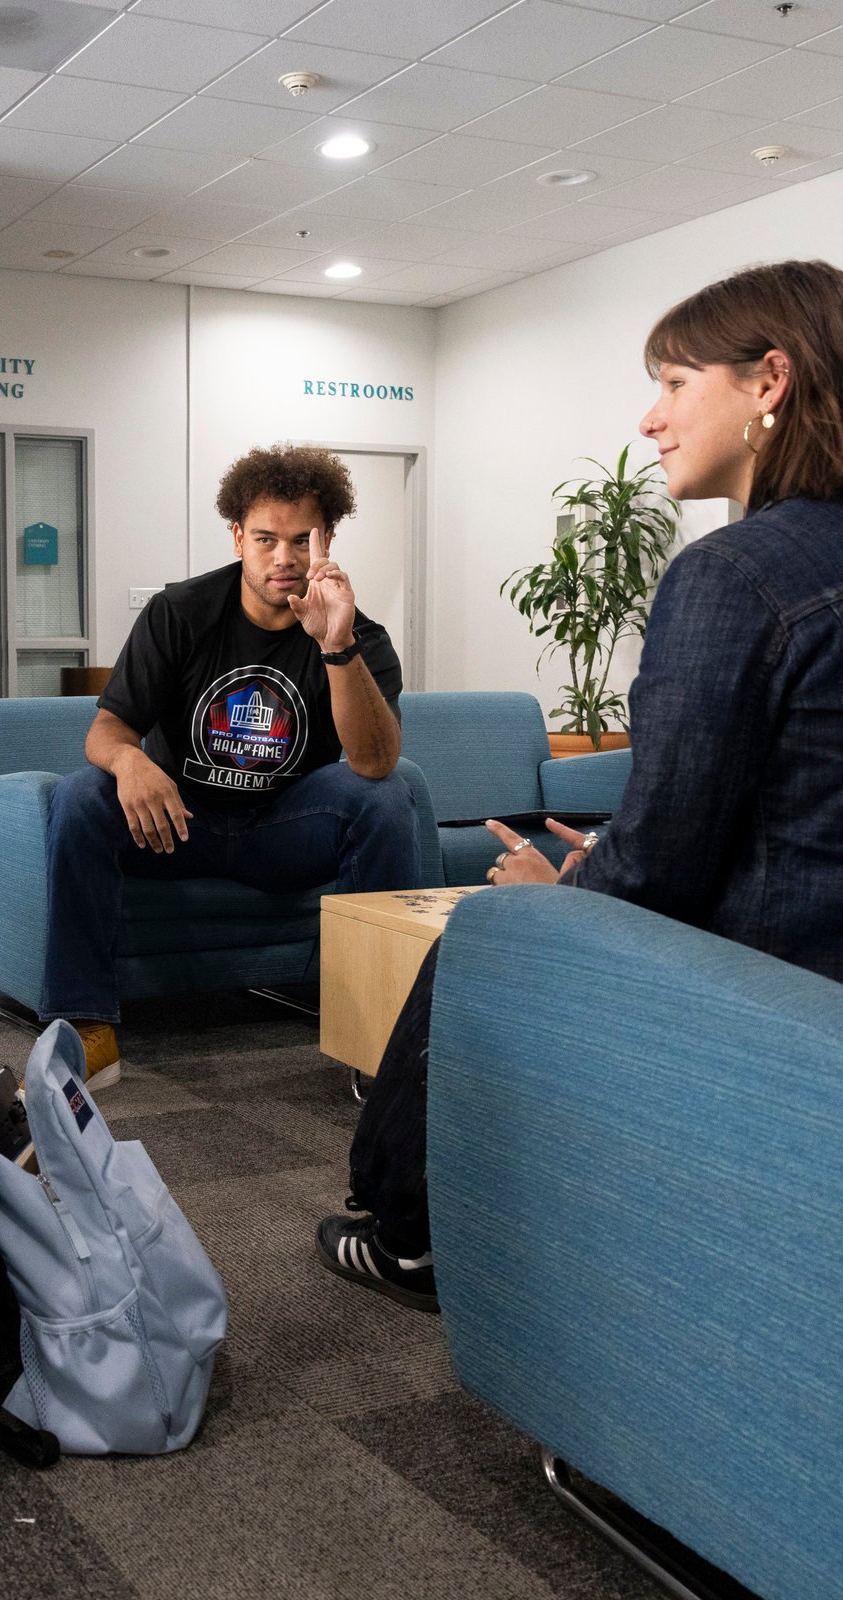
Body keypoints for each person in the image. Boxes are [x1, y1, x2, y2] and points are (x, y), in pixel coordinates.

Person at [317, 258, 843, 1313]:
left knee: (487, 927)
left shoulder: (731, 574)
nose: (649, 419)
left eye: (673, 382)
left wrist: (560, 897)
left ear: (768, 383)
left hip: (756, 1002)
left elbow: (660, 875)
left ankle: (407, 1231)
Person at [40, 444, 421, 1085]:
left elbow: (377, 762)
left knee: (386, 798)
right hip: (175, 826)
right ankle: (84, 1023)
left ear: (326, 540)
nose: (285, 558)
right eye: (267, 539)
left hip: (282, 830)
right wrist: (131, 764)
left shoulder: (360, 636)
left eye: (302, 540)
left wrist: (336, 646)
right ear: (238, 536)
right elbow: (107, 731)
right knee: (81, 796)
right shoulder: (181, 612)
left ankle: (381, 1034)